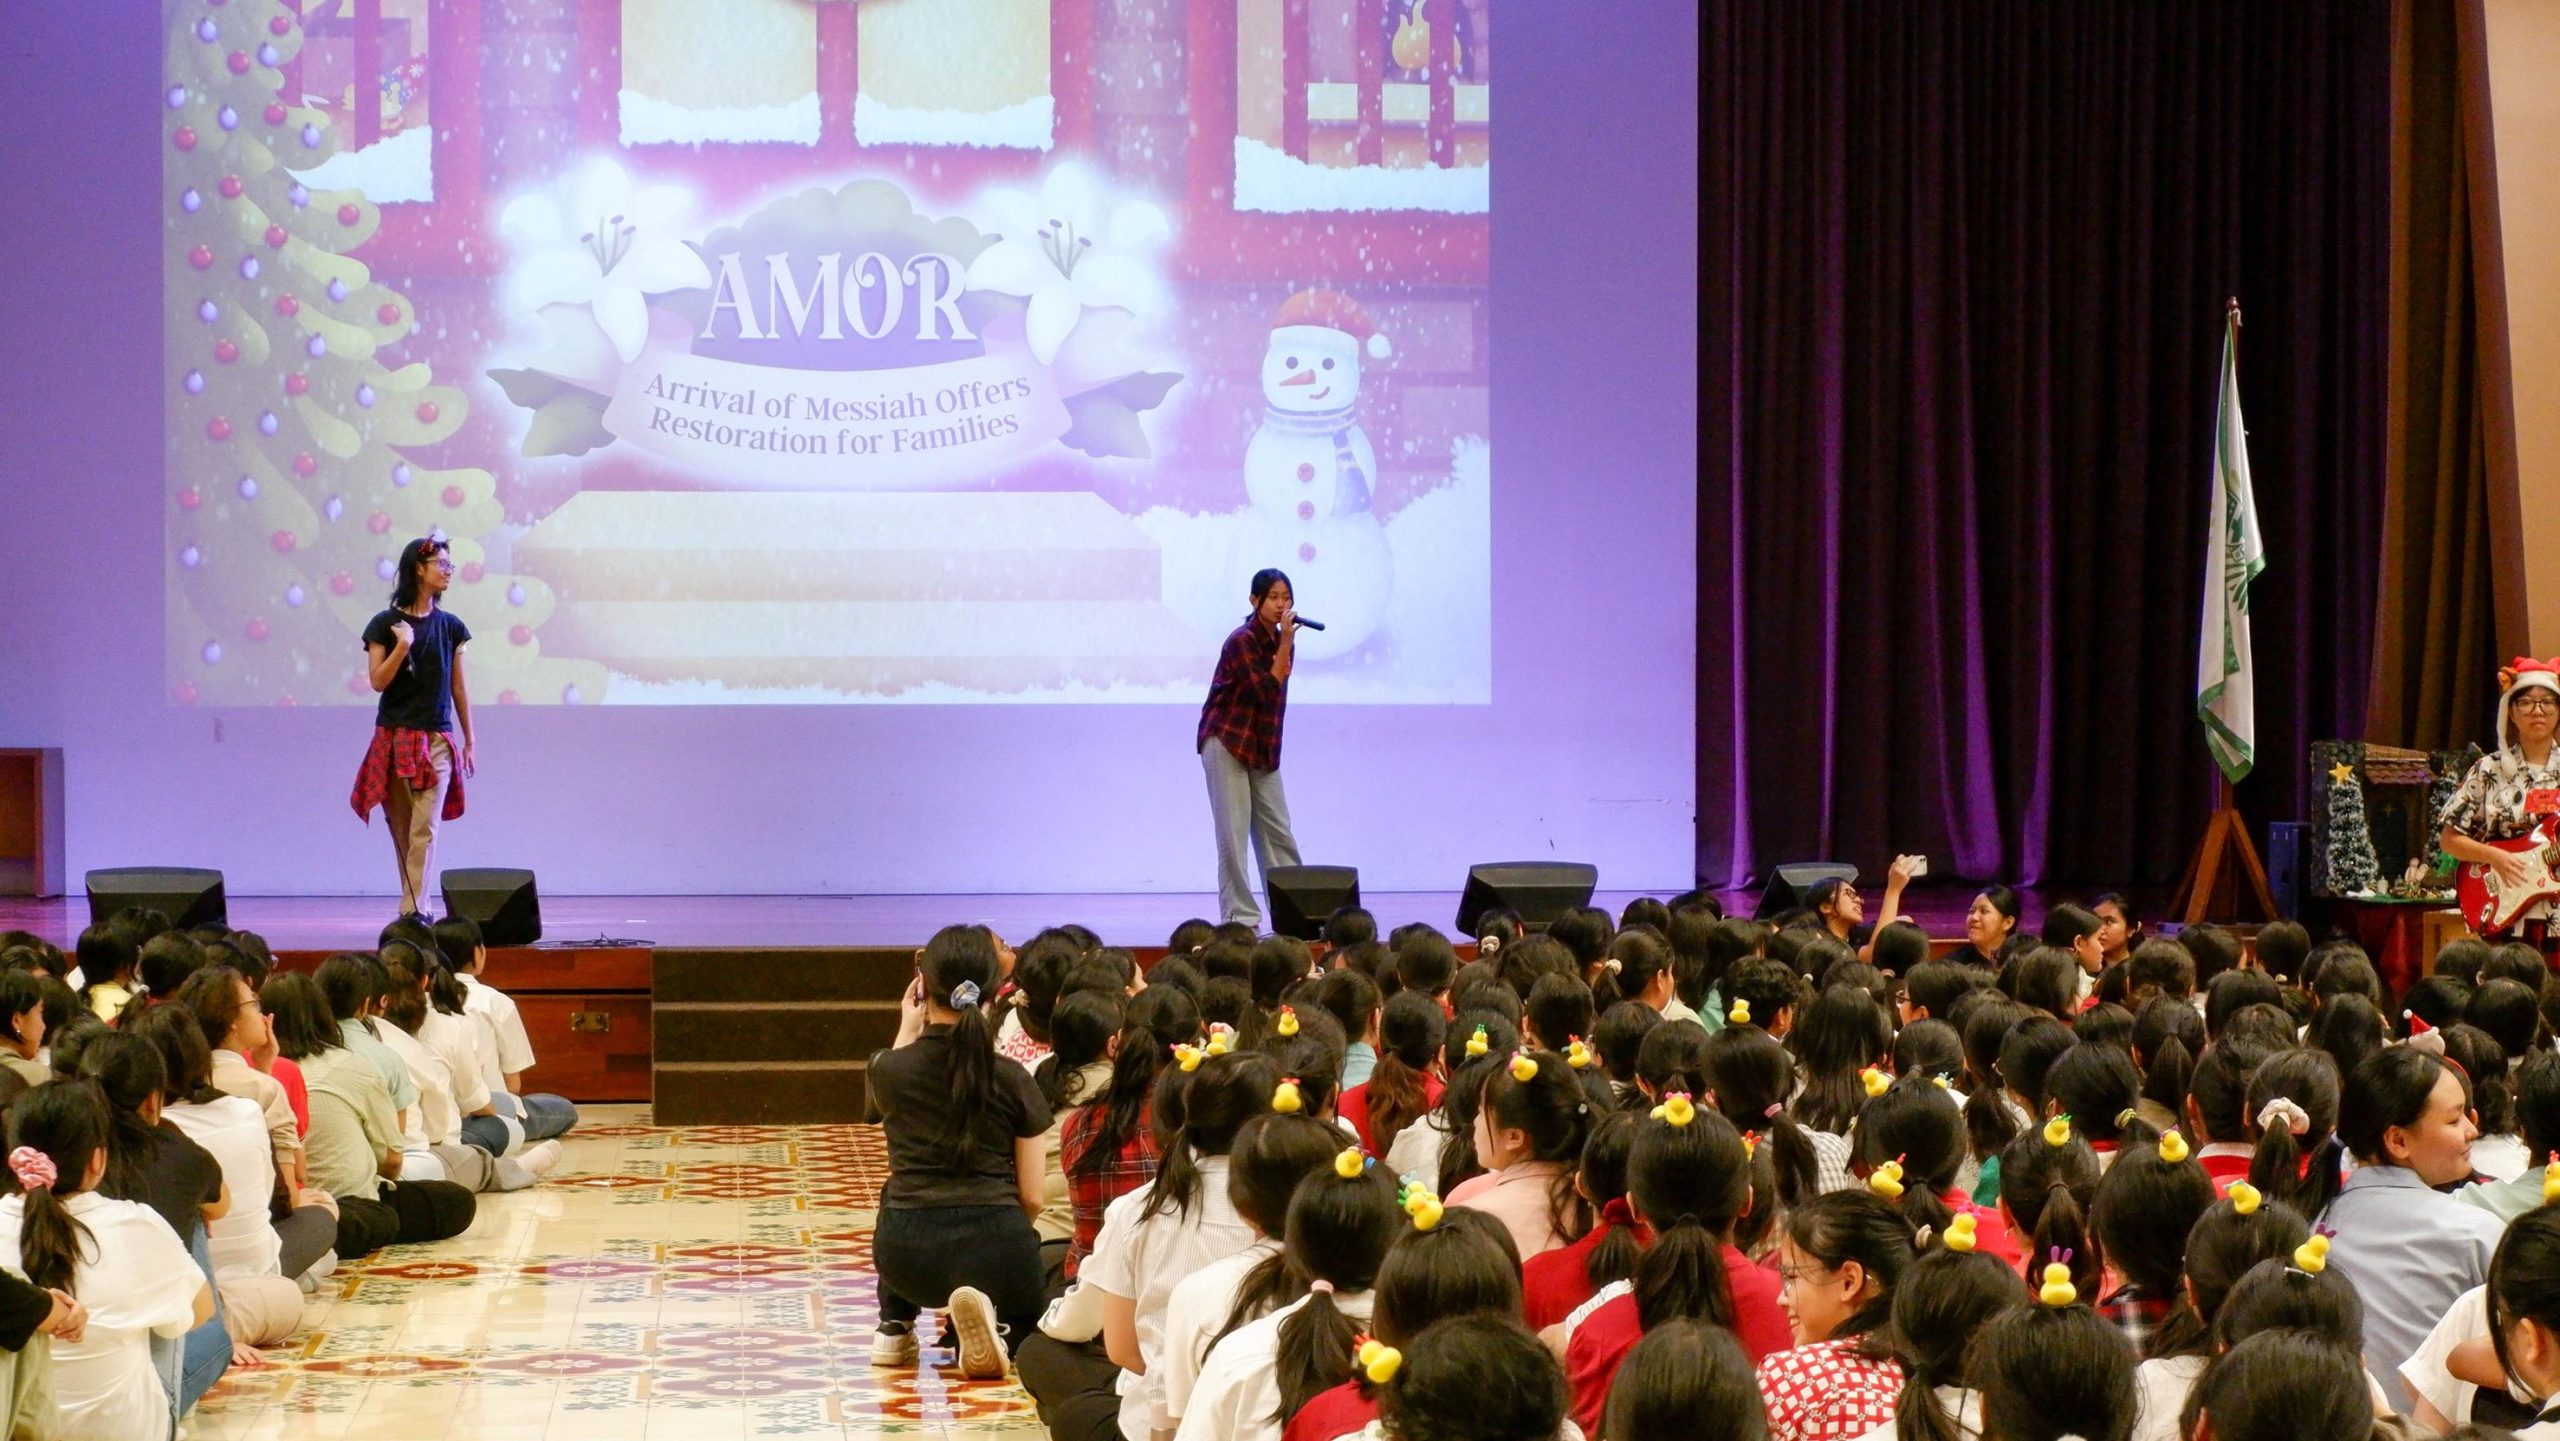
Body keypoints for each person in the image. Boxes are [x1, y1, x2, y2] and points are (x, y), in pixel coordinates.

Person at [865, 924, 1050, 1382]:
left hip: (907, 1260)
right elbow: (1033, 1197)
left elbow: (885, 1094)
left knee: (897, 1189)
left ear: (922, 986)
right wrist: (1002, 1242)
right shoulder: (1014, 1077)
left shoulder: (887, 1069)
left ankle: (894, 1325)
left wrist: (906, 1028)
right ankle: (999, 1327)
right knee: (1031, 1322)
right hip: (998, 1250)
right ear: (994, 989)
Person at [0, 1081, 202, 1441]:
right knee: (171, 1311)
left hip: (17, 1425)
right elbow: (201, 1311)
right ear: (97, 1159)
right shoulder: (134, 1223)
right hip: (125, 1430)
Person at [2321, 1045, 2506, 1411]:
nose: (2472, 1130)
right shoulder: (2473, 1233)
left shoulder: (2317, 1225)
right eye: (2454, 1120)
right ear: (2398, 1141)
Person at [350, 535, 476, 922]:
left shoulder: (451, 627)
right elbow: (377, 681)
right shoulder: (384, 624)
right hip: (393, 738)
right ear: (419, 569)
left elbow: (458, 688)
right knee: (403, 832)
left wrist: (469, 739)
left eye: (450, 565)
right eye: (442, 564)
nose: (448, 571)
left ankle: (414, 911)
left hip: (436, 738)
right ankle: (417, 908)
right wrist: (402, 646)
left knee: (426, 827)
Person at [1197, 568, 1306, 928]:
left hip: (1262, 747)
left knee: (1279, 831)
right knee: (1233, 834)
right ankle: (1240, 919)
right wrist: (1286, 643)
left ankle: (1295, 916)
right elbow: (1264, 692)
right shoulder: (1241, 641)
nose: (1281, 605)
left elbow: (1276, 707)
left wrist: (1284, 643)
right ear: (1254, 601)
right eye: (1273, 597)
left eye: (1286, 597)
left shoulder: (1282, 643)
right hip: (1228, 741)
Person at [1756, 1190, 1913, 1441]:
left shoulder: (1790, 1376)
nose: (1781, 1299)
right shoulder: (1928, 1371)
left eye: (1792, 1277)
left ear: (1850, 1281)